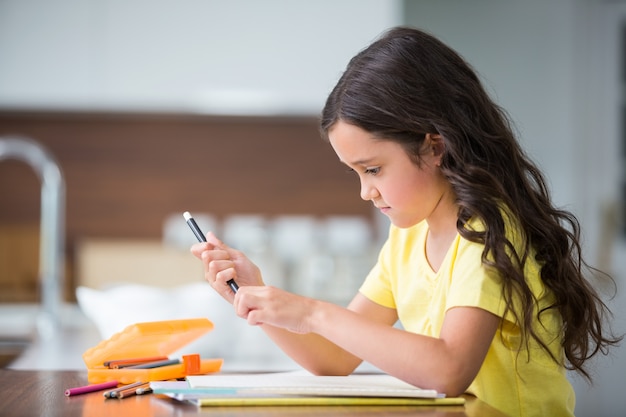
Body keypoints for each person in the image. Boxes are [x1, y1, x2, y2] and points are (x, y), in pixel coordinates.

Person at [191, 26, 621, 417]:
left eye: (373, 169)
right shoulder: (408, 238)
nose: (365, 191)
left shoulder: (489, 234)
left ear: (435, 147)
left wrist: (313, 312)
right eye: (355, 173)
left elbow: (450, 368)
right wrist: (254, 296)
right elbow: (333, 360)